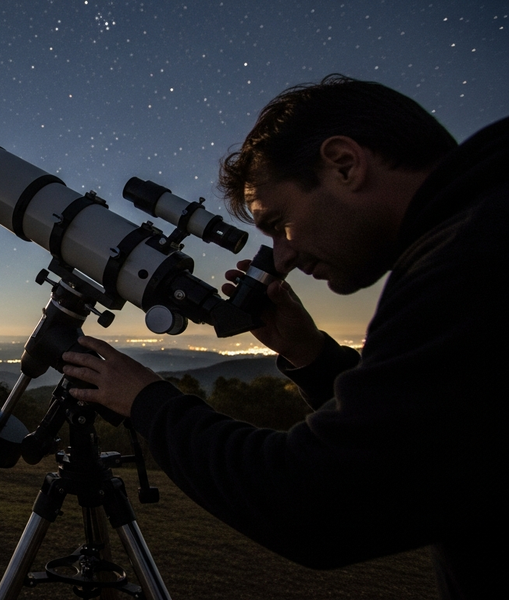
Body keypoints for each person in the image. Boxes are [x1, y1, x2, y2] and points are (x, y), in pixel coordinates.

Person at [61, 74, 508, 599]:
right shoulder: (481, 229)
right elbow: (421, 443)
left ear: (344, 164)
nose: (285, 256)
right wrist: (311, 355)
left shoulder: (468, 264)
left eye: (279, 222)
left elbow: (319, 502)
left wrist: (146, 402)